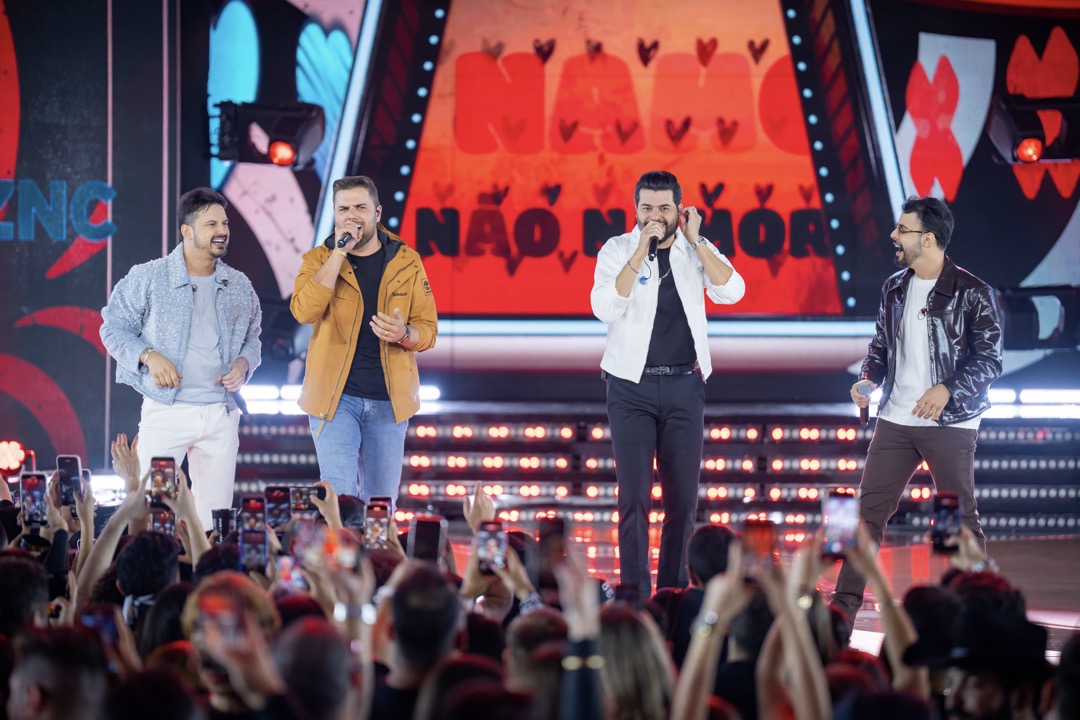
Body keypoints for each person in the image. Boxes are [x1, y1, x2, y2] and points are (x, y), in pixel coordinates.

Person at [833, 195, 1003, 626]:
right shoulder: (894, 287)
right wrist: (868, 380)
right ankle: (841, 614)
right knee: (866, 514)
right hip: (896, 420)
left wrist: (948, 389)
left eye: (902, 229)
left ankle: (977, 616)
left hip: (949, 423)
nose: (894, 235)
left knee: (955, 522)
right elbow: (880, 346)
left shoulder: (973, 292)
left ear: (927, 239)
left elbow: (989, 360)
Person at [590, 170, 745, 595]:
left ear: (680, 209)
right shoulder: (618, 249)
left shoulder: (696, 249)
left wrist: (698, 241)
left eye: (663, 208)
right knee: (634, 499)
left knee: (681, 503)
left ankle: (674, 596)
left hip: (684, 387)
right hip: (630, 388)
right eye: (646, 208)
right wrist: (639, 252)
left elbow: (733, 290)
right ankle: (635, 597)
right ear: (635, 209)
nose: (654, 216)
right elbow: (604, 307)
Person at [100, 187, 262, 525]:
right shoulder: (149, 276)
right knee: (150, 513)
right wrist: (148, 355)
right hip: (167, 412)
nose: (222, 231)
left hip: (221, 414)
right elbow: (112, 328)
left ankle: (205, 560)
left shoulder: (239, 284)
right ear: (187, 231)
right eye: (211, 224)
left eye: (224, 223)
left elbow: (253, 338)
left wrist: (243, 363)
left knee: (214, 521)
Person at [290, 175, 438, 502]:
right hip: (334, 399)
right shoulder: (318, 259)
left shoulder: (406, 261)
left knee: (380, 507)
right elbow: (303, 311)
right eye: (343, 209)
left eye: (360, 207)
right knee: (340, 500)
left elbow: (428, 330)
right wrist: (338, 254)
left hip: (388, 400)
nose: (352, 216)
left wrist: (405, 334)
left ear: (377, 212)